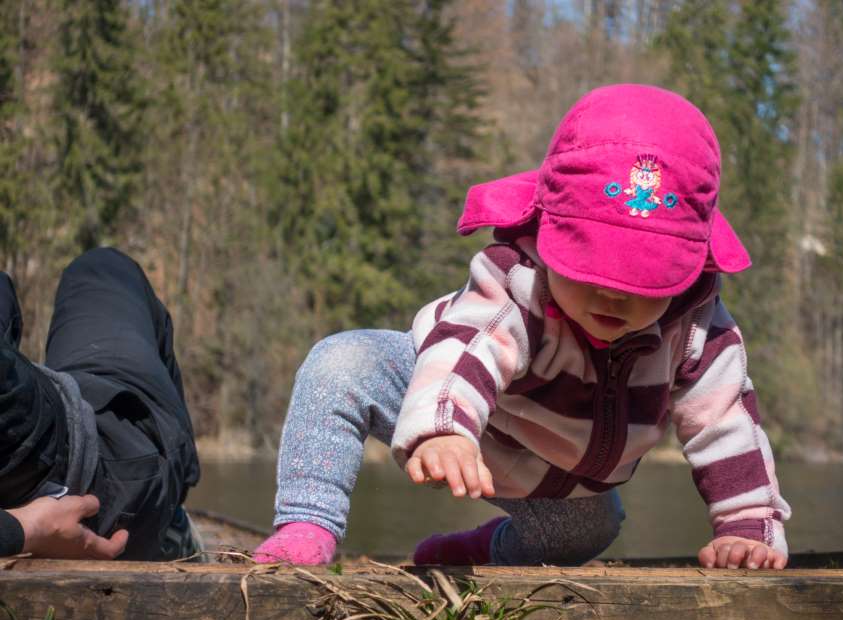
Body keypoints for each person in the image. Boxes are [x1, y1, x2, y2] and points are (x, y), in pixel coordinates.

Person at [254, 84, 792, 570]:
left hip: (565, 485)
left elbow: (726, 423)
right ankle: (309, 523)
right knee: (342, 364)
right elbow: (470, 346)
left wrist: (747, 527)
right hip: (464, 413)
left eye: (637, 282)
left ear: (688, 270)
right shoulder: (517, 282)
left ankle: (483, 551)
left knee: (593, 533)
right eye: (590, 268)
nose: (609, 294)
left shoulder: (696, 327)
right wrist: (445, 428)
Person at [0, 248, 201, 560]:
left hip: (65, 427)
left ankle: (173, 504)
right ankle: (171, 517)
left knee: (97, 266)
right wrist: (23, 529)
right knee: (106, 267)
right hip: (106, 478)